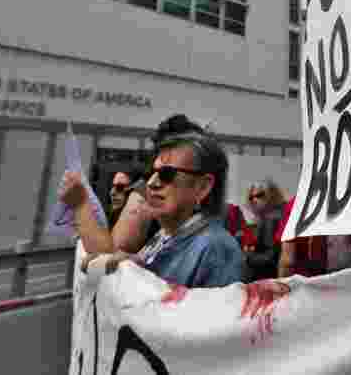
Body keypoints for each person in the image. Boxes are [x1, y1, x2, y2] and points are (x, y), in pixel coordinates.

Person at [60, 115, 243, 288]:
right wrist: (133, 267)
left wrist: (81, 207)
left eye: (167, 174)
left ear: (203, 187)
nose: (151, 183)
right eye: (152, 173)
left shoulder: (217, 249)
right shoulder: (166, 234)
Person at [275, 196, 351, 277]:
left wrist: (282, 290)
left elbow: (288, 261)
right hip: (349, 278)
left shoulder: (297, 204)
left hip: (311, 283)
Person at [240, 180, 286, 281]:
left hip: (268, 279)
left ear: (272, 194)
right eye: (251, 197)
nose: (254, 200)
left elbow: (272, 257)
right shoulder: (274, 215)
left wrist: (246, 257)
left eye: (259, 195)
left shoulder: (271, 219)